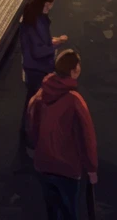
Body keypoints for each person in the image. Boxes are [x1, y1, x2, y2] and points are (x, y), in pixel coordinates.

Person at [26, 48, 98, 220]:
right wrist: (92, 169)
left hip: (44, 165)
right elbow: (87, 137)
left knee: (52, 211)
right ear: (73, 71)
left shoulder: (40, 95)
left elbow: (31, 126)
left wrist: (40, 147)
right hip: (67, 167)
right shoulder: (74, 100)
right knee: (70, 211)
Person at [19, 0, 67, 131]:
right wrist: (55, 45)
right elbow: (38, 51)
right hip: (38, 69)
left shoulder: (34, 19)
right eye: (47, 6)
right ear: (41, 5)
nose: (49, 9)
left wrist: (53, 41)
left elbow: (40, 43)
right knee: (37, 103)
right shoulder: (34, 23)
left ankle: (30, 132)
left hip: (33, 68)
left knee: (32, 102)